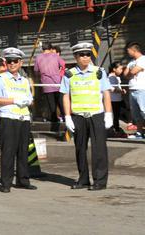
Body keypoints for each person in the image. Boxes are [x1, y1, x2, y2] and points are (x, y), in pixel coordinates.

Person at [61, 42, 113, 191]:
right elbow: (66, 96)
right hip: (78, 116)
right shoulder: (69, 74)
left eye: (88, 54)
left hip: (96, 114)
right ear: (76, 57)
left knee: (99, 149)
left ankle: (100, 181)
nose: (85, 57)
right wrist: (68, 116)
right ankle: (83, 179)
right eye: (82, 55)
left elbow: (106, 93)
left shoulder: (99, 72)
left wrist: (109, 114)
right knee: (80, 148)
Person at [0, 47, 36, 193]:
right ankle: (6, 182)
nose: (12, 64)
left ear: (20, 63)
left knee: (23, 151)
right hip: (9, 118)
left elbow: (30, 99)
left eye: (15, 61)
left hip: (23, 118)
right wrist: (14, 100)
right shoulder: (0, 79)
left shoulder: (24, 81)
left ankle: (23, 180)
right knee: (8, 151)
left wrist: (28, 101)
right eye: (9, 61)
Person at [34, 43, 66, 138]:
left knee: (51, 104)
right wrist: (59, 72)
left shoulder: (38, 57)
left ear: (42, 49)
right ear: (51, 48)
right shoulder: (55, 56)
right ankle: (65, 119)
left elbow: (36, 70)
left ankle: (54, 123)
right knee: (60, 102)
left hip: (46, 83)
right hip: (57, 82)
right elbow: (63, 64)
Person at [127, 42, 145, 140]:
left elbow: (132, 72)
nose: (128, 53)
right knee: (136, 114)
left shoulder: (143, 59)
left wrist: (132, 70)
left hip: (142, 89)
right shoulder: (132, 61)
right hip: (132, 89)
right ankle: (139, 133)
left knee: (144, 111)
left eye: (128, 51)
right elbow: (126, 74)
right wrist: (132, 70)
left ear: (134, 50)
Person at [108, 63, 127, 138]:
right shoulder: (111, 78)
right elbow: (111, 89)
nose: (121, 70)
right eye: (120, 69)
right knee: (115, 116)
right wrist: (121, 91)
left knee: (117, 116)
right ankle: (115, 130)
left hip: (118, 99)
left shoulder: (117, 77)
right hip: (113, 100)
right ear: (114, 69)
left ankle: (117, 130)